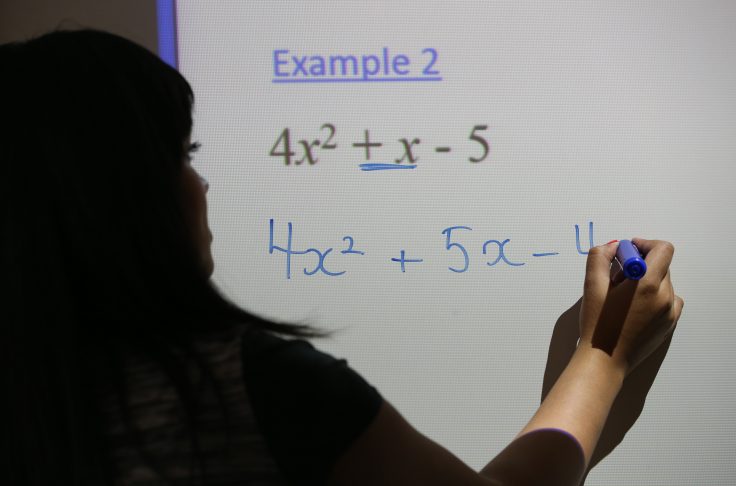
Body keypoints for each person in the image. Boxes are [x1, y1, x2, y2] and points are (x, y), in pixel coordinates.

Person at [0, 29, 683, 486]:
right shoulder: (252, 388)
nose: (201, 183)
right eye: (183, 155)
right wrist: (603, 355)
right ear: (117, 197)